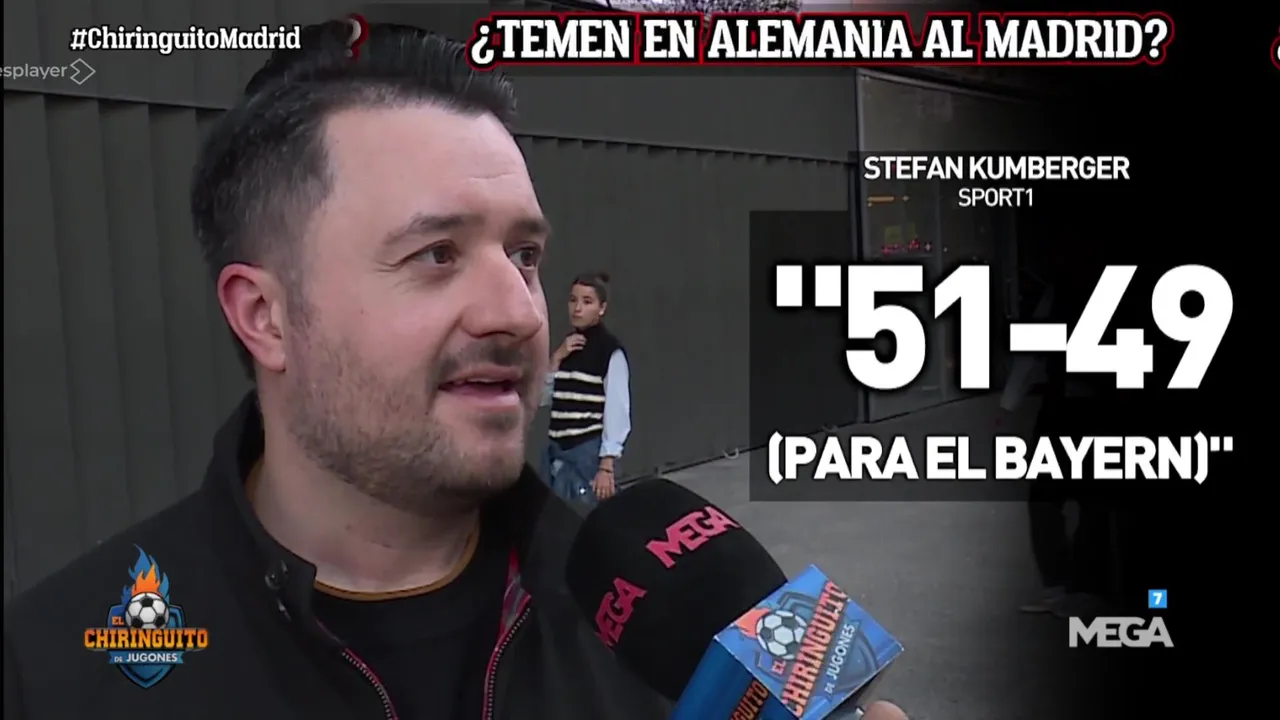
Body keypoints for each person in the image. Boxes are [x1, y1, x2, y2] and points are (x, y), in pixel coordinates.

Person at [4, 21, 675, 720]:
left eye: (524, 255)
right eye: (437, 254)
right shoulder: (51, 676)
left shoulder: (639, 630)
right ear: (265, 316)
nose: (520, 311)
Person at [1002, 252, 1113, 618]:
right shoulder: (1061, 289)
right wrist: (1010, 402)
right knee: (1046, 498)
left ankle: (1087, 587)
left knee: (1091, 500)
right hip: (1061, 403)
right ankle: (1061, 585)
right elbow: (1034, 350)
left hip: (1092, 406)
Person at [541, 272, 631, 507]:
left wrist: (606, 465)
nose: (577, 308)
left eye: (587, 302)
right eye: (573, 300)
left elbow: (617, 410)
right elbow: (543, 399)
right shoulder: (568, 348)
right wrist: (556, 359)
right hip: (556, 453)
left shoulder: (609, 351)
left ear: (602, 308)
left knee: (584, 519)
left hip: (586, 456)